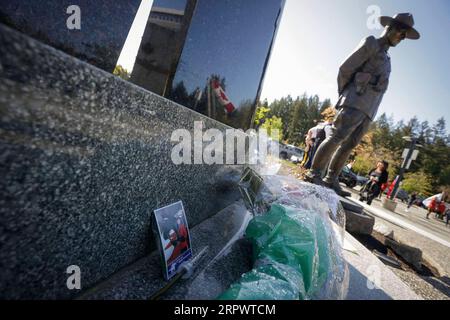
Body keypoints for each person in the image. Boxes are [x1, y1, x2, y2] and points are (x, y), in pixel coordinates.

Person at [305, 13, 420, 197]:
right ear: (391, 28)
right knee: (336, 136)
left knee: (350, 144)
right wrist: (346, 94)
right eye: (402, 33)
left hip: (369, 109)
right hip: (353, 101)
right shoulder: (371, 44)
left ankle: (330, 179)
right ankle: (314, 173)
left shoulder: (387, 58)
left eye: (404, 36)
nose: (402, 38)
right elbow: (345, 68)